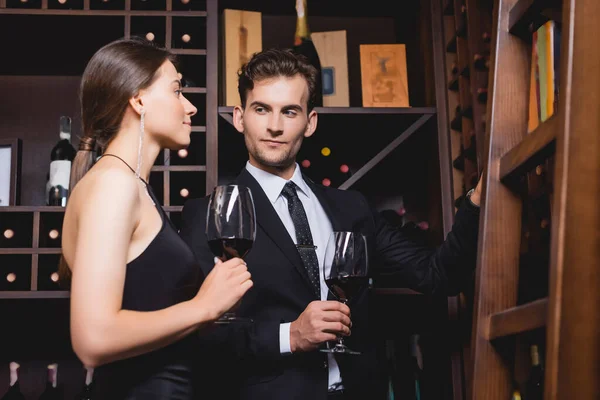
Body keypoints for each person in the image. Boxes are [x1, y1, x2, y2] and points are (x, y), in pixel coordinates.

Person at [179, 48, 482, 400]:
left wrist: (477, 200)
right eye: (261, 109)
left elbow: (438, 275)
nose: (275, 125)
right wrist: (289, 335)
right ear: (239, 117)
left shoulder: (352, 208)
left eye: (289, 111)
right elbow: (200, 334)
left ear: (310, 122)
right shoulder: (209, 215)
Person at [58, 37, 253, 399]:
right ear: (139, 99)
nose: (190, 107)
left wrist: (210, 308)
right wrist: (202, 306)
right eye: (177, 91)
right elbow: (93, 339)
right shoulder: (114, 185)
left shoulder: (128, 185)